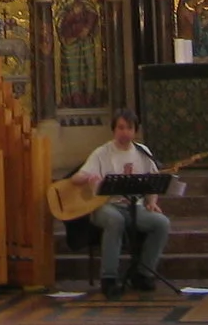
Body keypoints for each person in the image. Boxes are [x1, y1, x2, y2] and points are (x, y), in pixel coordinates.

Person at [72, 109, 170, 296]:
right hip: (105, 205)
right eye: (120, 128)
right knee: (115, 220)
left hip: (135, 205)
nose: (124, 132)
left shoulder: (143, 152)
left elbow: (153, 182)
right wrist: (87, 177)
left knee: (161, 223)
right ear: (114, 130)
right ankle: (109, 278)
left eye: (129, 128)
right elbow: (77, 178)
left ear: (135, 131)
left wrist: (151, 202)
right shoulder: (102, 153)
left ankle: (143, 274)